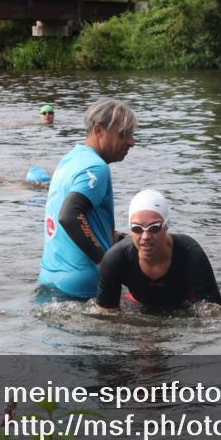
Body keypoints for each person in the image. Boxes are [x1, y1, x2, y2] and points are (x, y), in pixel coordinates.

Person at [38, 98, 137, 298]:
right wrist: (105, 262)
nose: (131, 142)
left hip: (49, 278)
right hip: (83, 285)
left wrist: (117, 238)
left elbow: (74, 217)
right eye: (123, 134)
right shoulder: (96, 167)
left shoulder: (71, 159)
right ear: (99, 131)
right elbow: (70, 215)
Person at [96, 190, 221, 313]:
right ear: (130, 230)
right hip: (137, 302)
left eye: (154, 228)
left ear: (167, 225)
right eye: (137, 228)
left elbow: (215, 312)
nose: (145, 237)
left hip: (186, 302)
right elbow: (107, 315)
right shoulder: (115, 258)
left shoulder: (189, 252)